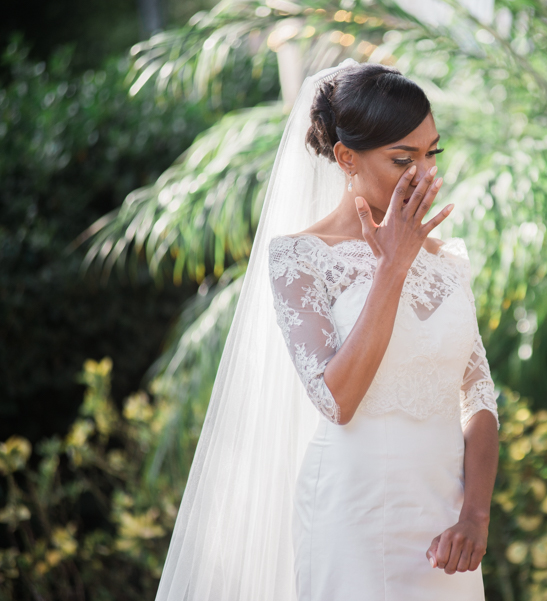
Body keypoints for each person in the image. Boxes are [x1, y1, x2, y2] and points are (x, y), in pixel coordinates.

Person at [154, 61, 499, 601]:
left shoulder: (451, 262)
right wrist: (392, 267)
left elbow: (478, 396)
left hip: (448, 521)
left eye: (432, 153)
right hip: (355, 514)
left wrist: (475, 515)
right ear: (345, 157)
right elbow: (337, 398)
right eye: (402, 159)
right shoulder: (299, 258)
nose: (424, 174)